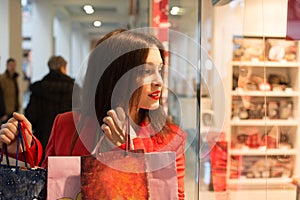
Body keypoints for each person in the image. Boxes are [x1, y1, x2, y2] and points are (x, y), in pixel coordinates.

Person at [0, 29, 186, 199]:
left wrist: (125, 151)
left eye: (159, 69)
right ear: (115, 75)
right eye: (147, 71)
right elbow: (49, 189)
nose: (159, 81)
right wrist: (23, 151)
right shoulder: (67, 125)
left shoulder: (169, 137)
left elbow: (172, 196)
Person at [25, 55, 76, 158]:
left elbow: (31, 116)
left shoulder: (39, 89)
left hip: (43, 136)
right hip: (67, 139)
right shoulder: (73, 89)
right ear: (63, 68)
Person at [0, 58, 20, 123]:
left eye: (14, 65)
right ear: (7, 66)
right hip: (5, 113)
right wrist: (2, 113)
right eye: (11, 65)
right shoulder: (2, 79)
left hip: (13, 112)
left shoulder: (14, 78)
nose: (12, 67)